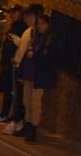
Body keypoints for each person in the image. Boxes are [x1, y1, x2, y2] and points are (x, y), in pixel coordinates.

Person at [13, 13, 58, 143]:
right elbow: (26, 53)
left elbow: (48, 58)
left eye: (42, 24)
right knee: (26, 101)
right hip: (29, 73)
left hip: (39, 76)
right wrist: (22, 72)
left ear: (48, 25)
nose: (40, 26)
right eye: (38, 24)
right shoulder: (35, 36)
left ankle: (33, 129)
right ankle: (27, 126)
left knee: (35, 103)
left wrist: (35, 55)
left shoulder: (50, 39)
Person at [4, 3, 42, 134]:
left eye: (28, 16)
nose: (26, 19)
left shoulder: (36, 33)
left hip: (28, 71)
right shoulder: (29, 31)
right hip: (21, 68)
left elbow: (29, 52)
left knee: (29, 101)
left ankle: (26, 125)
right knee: (23, 99)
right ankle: (23, 124)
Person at [0, 5, 24, 122]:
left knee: (9, 90)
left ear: (20, 13)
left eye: (14, 13)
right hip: (7, 62)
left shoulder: (21, 28)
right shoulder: (14, 26)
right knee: (6, 88)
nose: (11, 15)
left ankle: (7, 114)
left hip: (12, 64)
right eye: (11, 13)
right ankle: (5, 113)